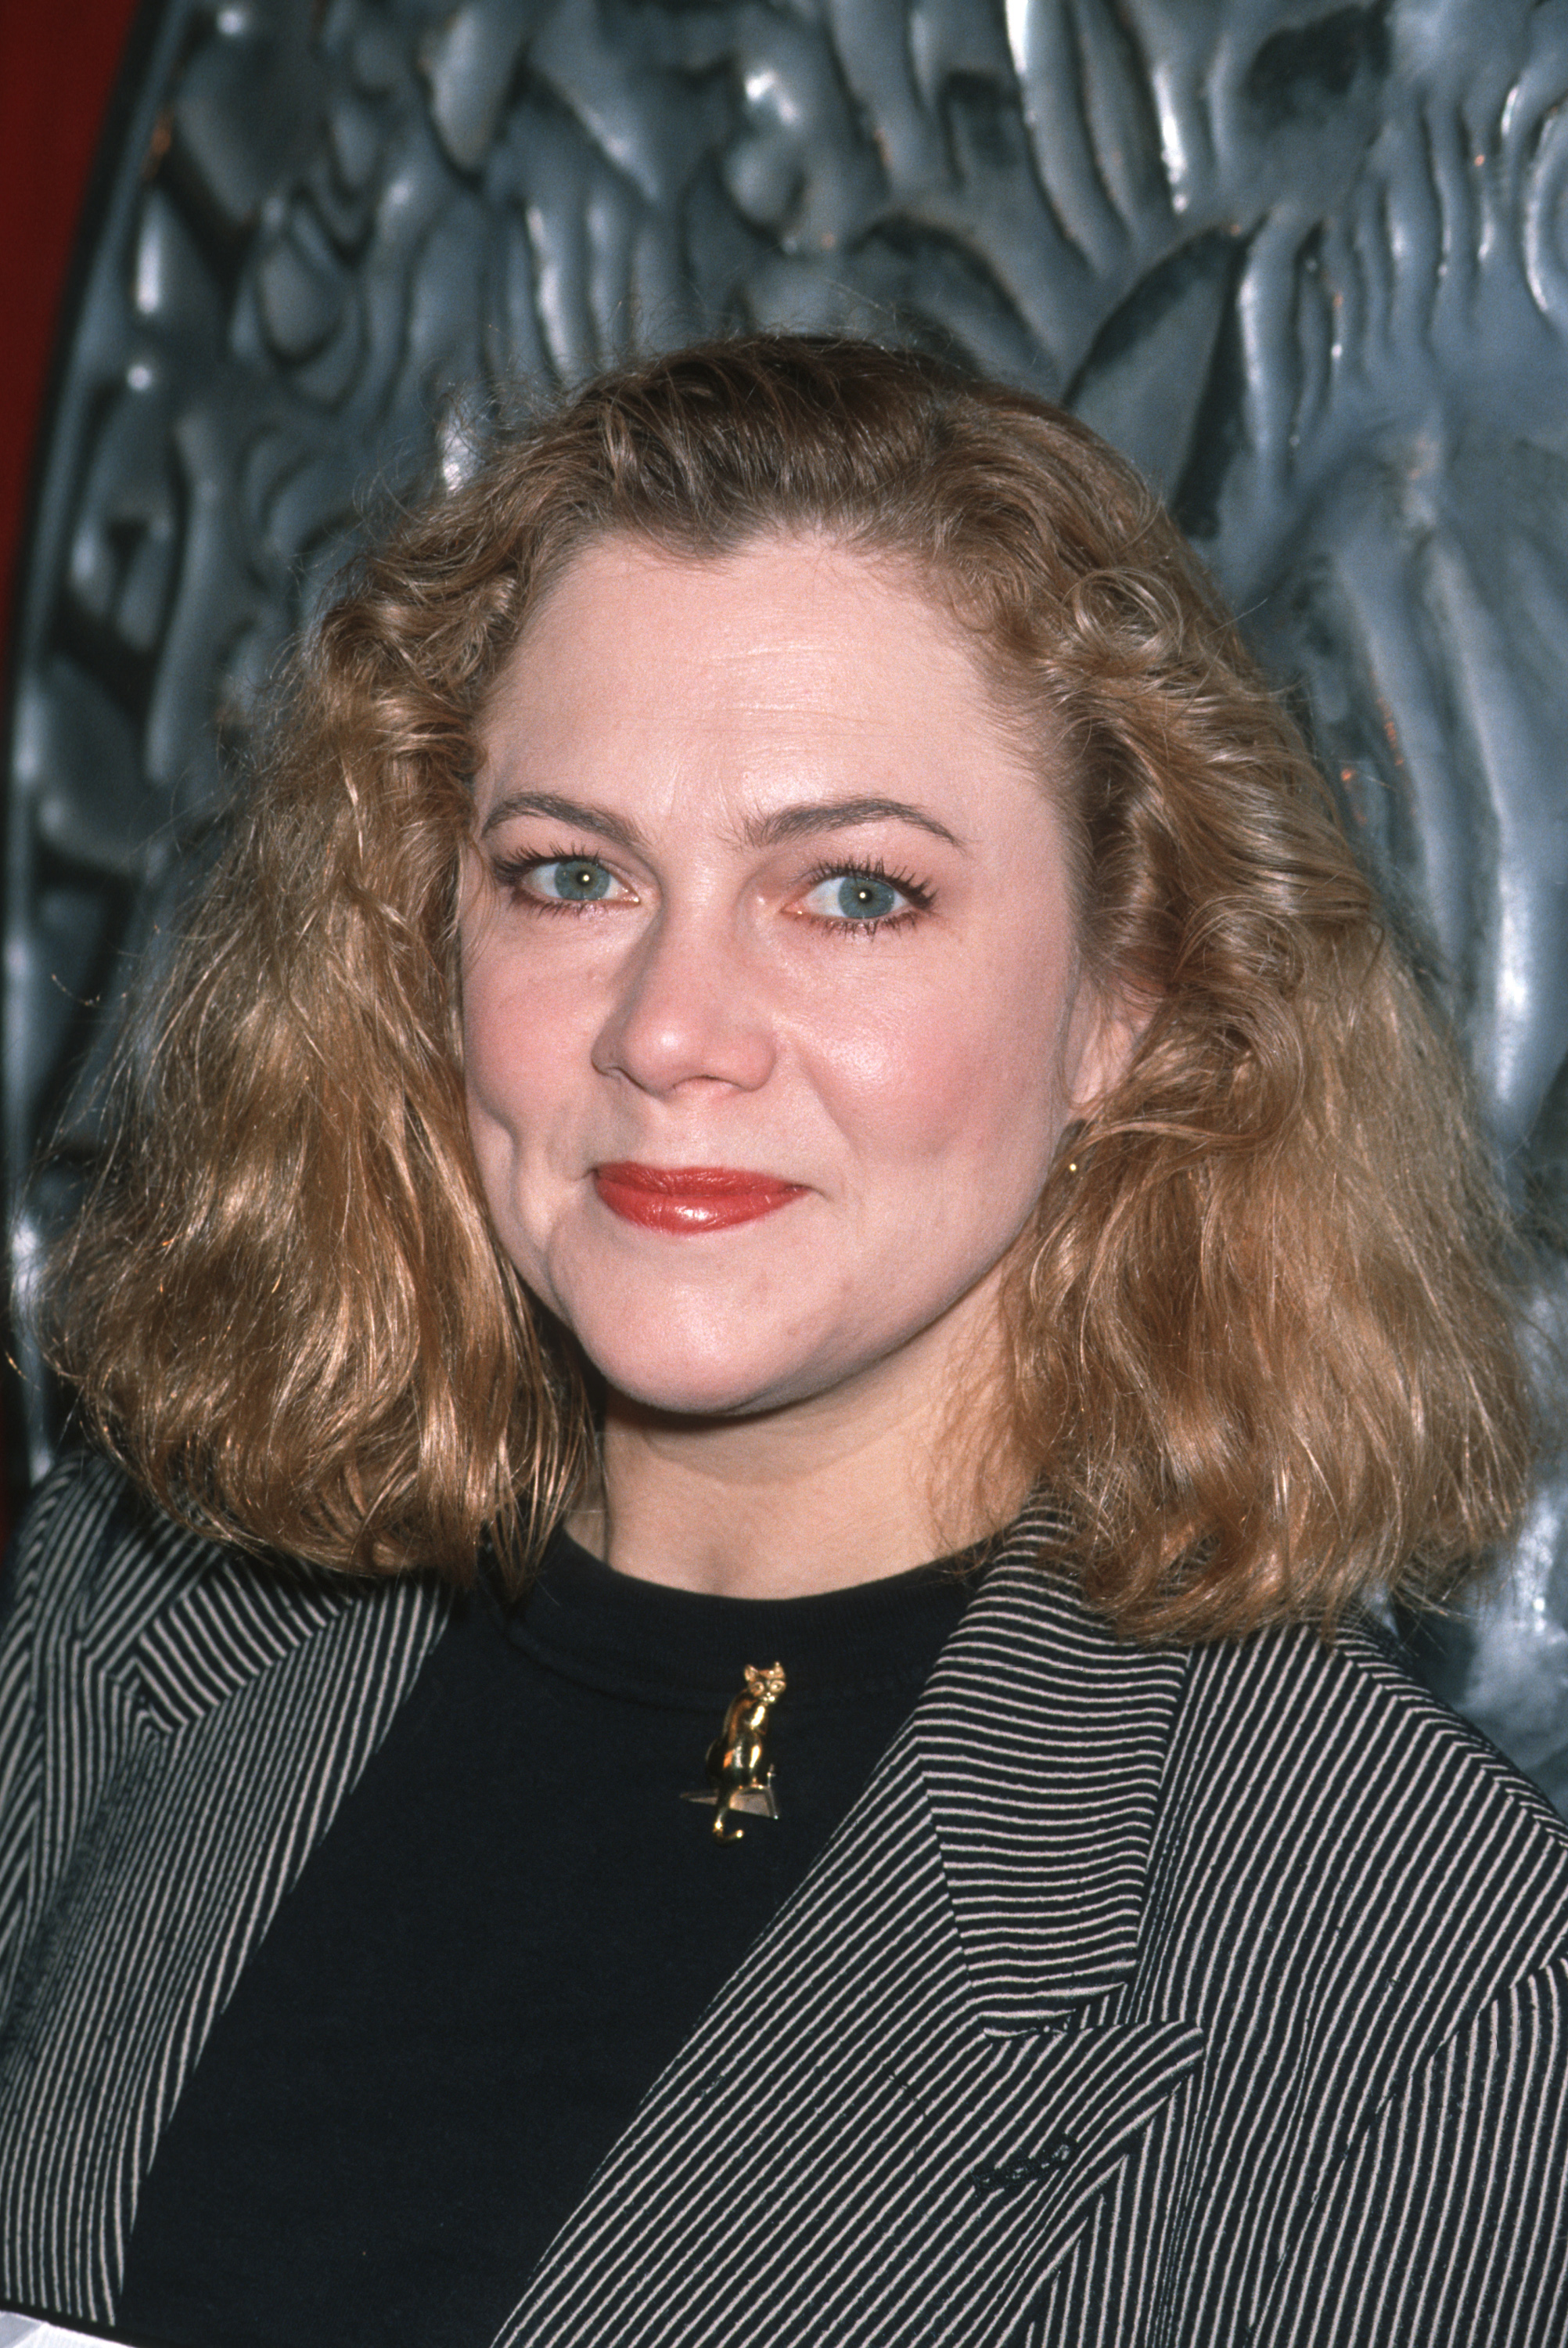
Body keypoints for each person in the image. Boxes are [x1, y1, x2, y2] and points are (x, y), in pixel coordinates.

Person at [1, 335, 1565, 2348]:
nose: (668, 1029)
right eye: (571, 876)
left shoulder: (1416, 1974)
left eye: (849, 893)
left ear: (1133, 995)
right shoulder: (142, 1608)